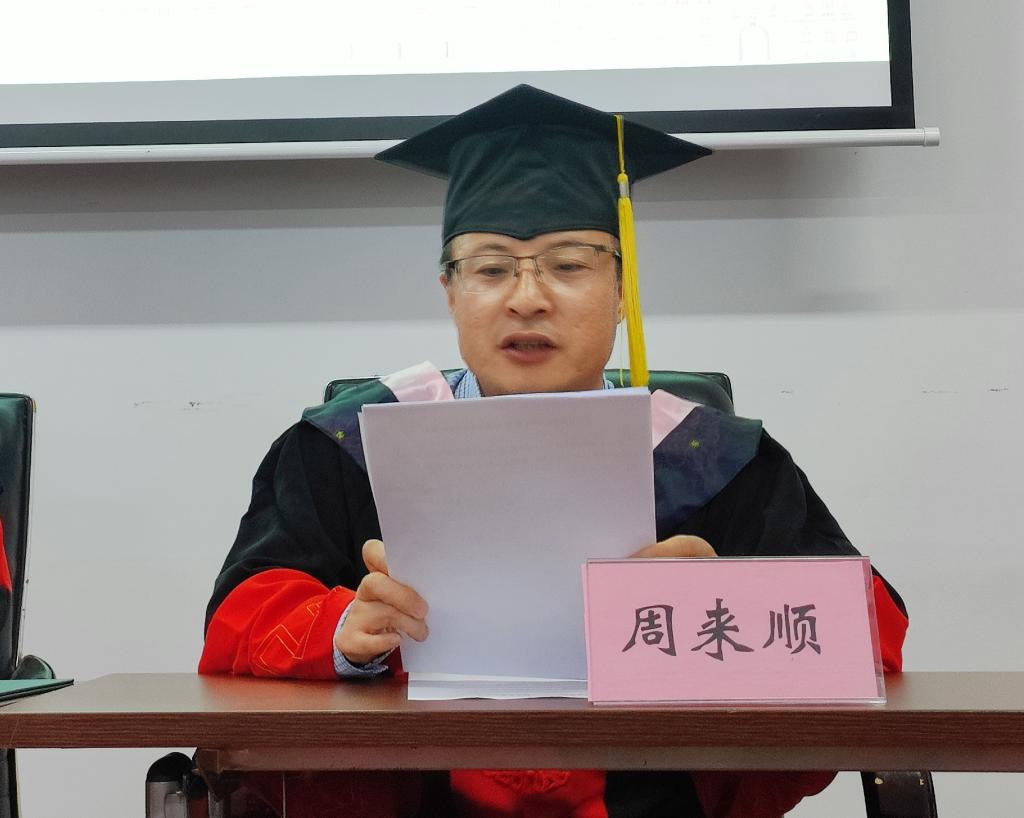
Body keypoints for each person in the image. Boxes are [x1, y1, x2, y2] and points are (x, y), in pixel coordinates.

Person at [200, 85, 909, 818]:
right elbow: (237, 622)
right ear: (449, 292)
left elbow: (871, 631)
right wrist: (340, 632)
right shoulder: (342, 449)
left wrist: (723, 602)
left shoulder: (713, 461)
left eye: (568, 265)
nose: (527, 298)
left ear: (622, 289)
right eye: (491, 269)